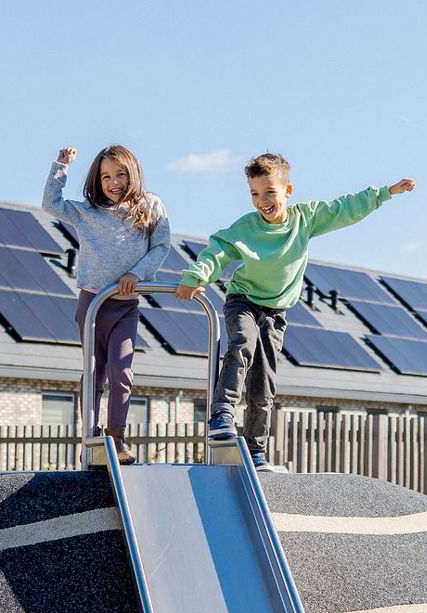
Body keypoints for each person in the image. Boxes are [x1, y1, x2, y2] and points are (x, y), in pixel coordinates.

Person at [176, 153, 414, 469]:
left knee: (263, 382)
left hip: (275, 313)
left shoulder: (306, 219)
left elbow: (344, 209)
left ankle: (255, 450)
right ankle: (222, 413)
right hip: (243, 301)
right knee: (241, 345)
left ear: (288, 191)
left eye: (270, 192)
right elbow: (217, 250)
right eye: (255, 194)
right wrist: (195, 277)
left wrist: (385, 193)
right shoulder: (247, 228)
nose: (262, 201)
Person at [45, 145, 172, 465]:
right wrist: (61, 166)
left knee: (122, 371)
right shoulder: (88, 212)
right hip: (93, 304)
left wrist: (137, 274)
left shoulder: (150, 205)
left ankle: (116, 436)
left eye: (120, 174)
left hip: (126, 305)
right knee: (94, 371)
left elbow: (160, 246)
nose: (114, 182)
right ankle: (91, 433)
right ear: (97, 180)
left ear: (133, 174)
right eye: (106, 177)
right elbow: (51, 204)